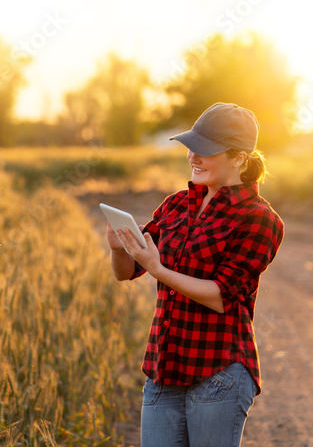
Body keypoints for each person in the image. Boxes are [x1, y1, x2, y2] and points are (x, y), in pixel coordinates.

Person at [108, 102, 285, 447]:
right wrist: (119, 249)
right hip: (164, 366)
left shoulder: (260, 219)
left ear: (239, 158)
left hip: (219, 370)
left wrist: (159, 269)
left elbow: (221, 296)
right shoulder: (176, 205)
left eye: (206, 150)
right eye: (191, 147)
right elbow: (126, 272)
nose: (193, 156)